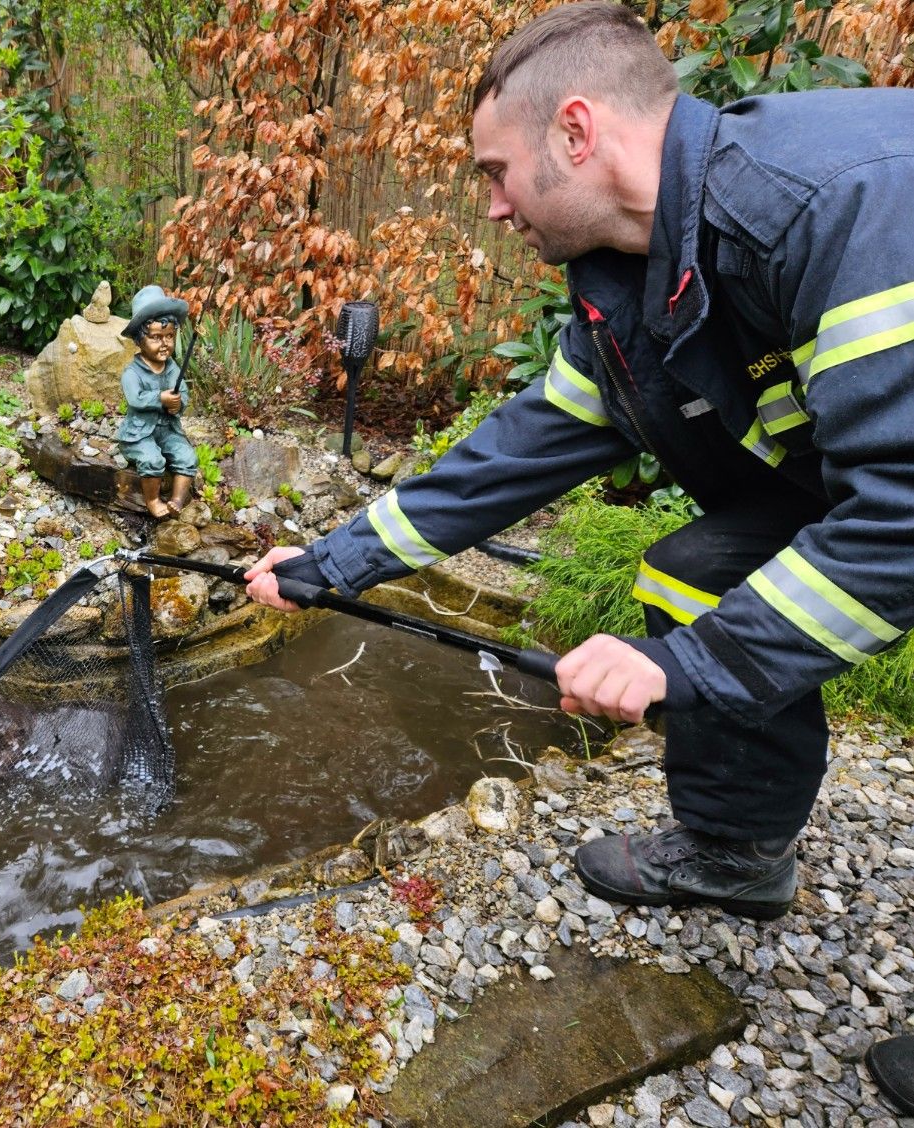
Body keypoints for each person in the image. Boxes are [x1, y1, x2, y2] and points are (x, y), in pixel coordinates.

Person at [242, 3, 913, 1111]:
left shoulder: (835, 204)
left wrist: (684, 668)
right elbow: (510, 456)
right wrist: (330, 564)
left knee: (703, 628)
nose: (493, 205)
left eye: (494, 171)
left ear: (574, 131)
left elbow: (900, 522)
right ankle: (739, 853)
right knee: (694, 575)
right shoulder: (632, 287)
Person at [117, 285, 198, 518]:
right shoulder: (132, 373)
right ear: (139, 340)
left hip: (167, 430)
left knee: (187, 456)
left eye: (169, 336)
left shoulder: (172, 369)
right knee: (152, 459)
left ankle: (177, 500)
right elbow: (136, 398)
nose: (164, 343)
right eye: (155, 337)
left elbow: (183, 394)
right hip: (139, 434)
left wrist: (178, 404)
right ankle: (152, 500)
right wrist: (160, 398)